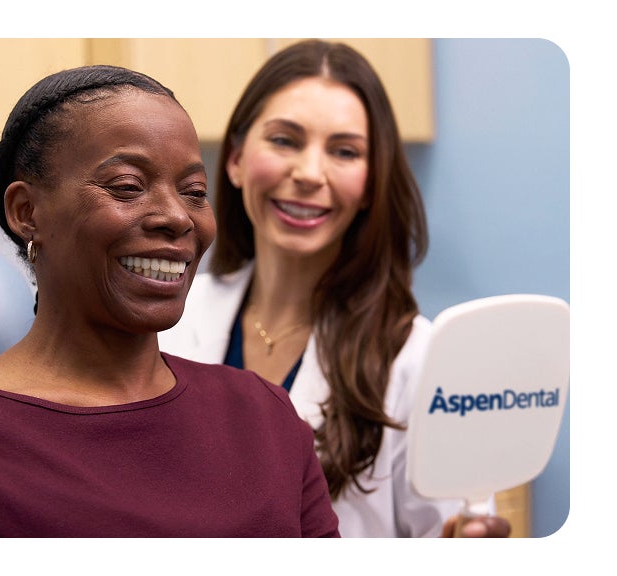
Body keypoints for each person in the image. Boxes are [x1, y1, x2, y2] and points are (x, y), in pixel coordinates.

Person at [0, 64, 340, 538]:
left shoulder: (265, 416)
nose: (177, 217)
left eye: (195, 192)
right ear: (27, 213)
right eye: (128, 187)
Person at [159, 40, 511, 538]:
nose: (308, 173)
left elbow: (447, 535)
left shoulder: (418, 358)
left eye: (344, 151)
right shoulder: (167, 315)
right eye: (285, 140)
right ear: (236, 159)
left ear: (370, 183)